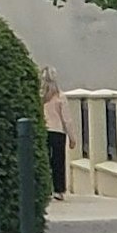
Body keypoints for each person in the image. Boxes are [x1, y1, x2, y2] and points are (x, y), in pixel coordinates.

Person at [41, 66, 71, 200]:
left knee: (45, 160)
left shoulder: (41, 97)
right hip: (58, 131)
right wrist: (72, 136)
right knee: (58, 161)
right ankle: (59, 189)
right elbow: (66, 119)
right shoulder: (60, 97)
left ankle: (46, 188)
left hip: (43, 131)